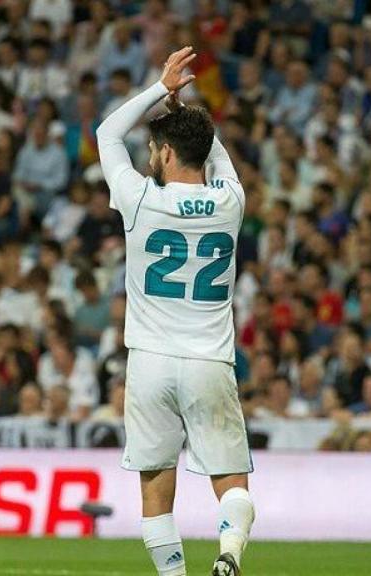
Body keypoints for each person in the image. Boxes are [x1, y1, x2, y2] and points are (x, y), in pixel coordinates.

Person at [97, 47, 254, 576]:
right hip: (210, 360)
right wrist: (190, 116)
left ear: (163, 153)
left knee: (155, 490)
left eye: (154, 150)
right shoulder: (232, 201)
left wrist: (160, 93)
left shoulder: (139, 198)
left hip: (151, 363)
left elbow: (107, 133)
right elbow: (212, 151)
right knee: (231, 481)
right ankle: (229, 556)